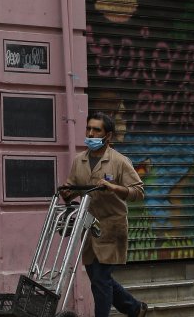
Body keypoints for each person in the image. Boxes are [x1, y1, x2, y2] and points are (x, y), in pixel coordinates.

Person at [60, 112, 148, 317]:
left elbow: (138, 192)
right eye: (88, 128)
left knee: (100, 279)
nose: (90, 133)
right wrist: (67, 193)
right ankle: (135, 309)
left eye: (96, 130)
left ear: (107, 136)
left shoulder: (119, 161)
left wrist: (114, 188)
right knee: (99, 278)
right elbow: (72, 188)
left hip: (111, 227)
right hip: (88, 228)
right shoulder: (79, 161)